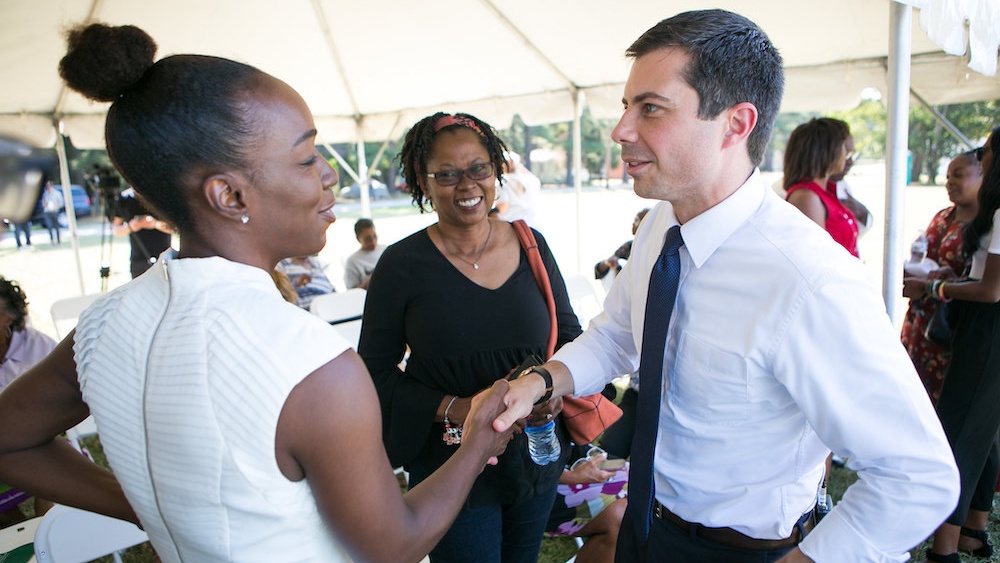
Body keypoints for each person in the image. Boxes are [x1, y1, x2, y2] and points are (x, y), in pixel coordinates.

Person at [0, 23, 515, 563]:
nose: (329, 176)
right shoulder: (309, 361)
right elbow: (393, 545)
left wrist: (153, 510)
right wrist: (479, 438)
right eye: (306, 157)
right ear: (228, 194)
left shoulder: (103, 325)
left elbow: (10, 439)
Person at [495, 10, 958, 562]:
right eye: (626, 106)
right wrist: (545, 381)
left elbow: (918, 475)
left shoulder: (809, 281)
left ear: (735, 125)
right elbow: (617, 335)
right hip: (647, 523)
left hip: (742, 550)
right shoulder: (663, 228)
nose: (620, 130)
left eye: (651, 109)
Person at [359, 111, 582, 563]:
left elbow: (570, 334)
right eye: (447, 174)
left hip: (534, 450)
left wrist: (551, 388)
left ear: (497, 170)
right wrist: (460, 410)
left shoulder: (530, 244)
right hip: (450, 461)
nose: (467, 185)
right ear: (422, 182)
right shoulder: (401, 265)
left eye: (479, 168)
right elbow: (374, 372)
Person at [903, 127, 1000, 563]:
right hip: (979, 327)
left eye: (987, 154)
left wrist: (937, 288)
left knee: (960, 433)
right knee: (986, 432)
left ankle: (943, 550)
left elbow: (989, 290)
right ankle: (972, 532)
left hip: (986, 329)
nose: (985, 159)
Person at [900, 151, 981, 404]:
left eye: (958, 175)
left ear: (983, 175)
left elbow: (981, 282)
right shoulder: (943, 216)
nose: (949, 182)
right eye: (947, 176)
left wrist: (934, 286)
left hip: (950, 330)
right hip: (919, 323)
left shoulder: (986, 225)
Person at [0, 276, 56, 527]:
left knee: (48, 462)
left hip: (41, 439)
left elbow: (64, 405)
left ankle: (51, 535)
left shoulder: (38, 348)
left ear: (7, 319)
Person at [784, 117, 860, 257]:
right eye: (845, 149)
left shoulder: (826, 191)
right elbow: (816, 257)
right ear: (828, 150)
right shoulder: (806, 197)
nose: (847, 157)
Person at [546, 444, 628, 563]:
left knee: (642, 482)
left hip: (564, 450)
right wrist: (572, 477)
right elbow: (518, 470)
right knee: (624, 518)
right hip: (534, 478)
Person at [110, 187, 174, 278]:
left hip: (164, 258)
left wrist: (155, 224)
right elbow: (116, 230)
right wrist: (131, 227)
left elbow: (175, 228)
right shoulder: (125, 198)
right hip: (138, 260)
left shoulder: (163, 195)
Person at [828, 126, 873, 237]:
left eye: (852, 155)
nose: (849, 162)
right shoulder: (806, 196)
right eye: (846, 154)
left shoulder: (843, 186)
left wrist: (863, 214)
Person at [594, 208, 650, 282]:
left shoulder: (658, 247)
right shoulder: (630, 246)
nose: (633, 224)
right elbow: (599, 271)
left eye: (636, 220)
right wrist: (608, 263)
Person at [494, 151, 541, 227]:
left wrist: (490, 214)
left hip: (514, 228)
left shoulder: (502, 181)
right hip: (533, 226)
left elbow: (503, 206)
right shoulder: (532, 180)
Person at [343, 218, 385, 289]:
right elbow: (352, 292)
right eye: (367, 239)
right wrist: (367, 283)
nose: (373, 242)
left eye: (374, 236)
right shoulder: (353, 261)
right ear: (358, 239)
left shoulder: (385, 250)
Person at [40, 181, 64, 245]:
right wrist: (46, 203)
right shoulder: (45, 194)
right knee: (49, 226)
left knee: (56, 226)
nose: (48, 188)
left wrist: (55, 206)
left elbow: (61, 204)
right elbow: (43, 205)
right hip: (47, 212)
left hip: (55, 211)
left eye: (49, 186)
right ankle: (52, 240)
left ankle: (58, 240)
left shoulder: (57, 194)